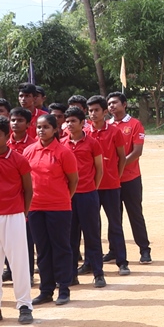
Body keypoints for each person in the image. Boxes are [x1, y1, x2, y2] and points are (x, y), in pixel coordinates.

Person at [26, 113, 79, 307]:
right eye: (39, 127)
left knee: (61, 247)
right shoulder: (30, 151)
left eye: (46, 127)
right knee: (42, 250)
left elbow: (73, 181)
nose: (41, 130)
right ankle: (46, 290)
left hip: (59, 208)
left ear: (55, 129)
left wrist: (63, 198)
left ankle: (64, 288)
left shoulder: (64, 152)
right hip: (35, 207)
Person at [106, 92, 151, 264]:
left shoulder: (134, 124)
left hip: (130, 178)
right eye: (109, 104)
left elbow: (137, 151)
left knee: (135, 214)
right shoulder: (107, 126)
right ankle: (113, 250)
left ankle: (144, 249)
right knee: (113, 216)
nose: (111, 106)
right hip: (111, 180)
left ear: (124, 104)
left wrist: (120, 166)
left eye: (115, 103)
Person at [87, 96, 129, 276]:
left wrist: (116, 177)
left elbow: (122, 157)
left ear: (105, 112)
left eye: (96, 110)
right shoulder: (85, 132)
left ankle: (122, 261)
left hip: (111, 185)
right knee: (91, 226)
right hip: (90, 187)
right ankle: (90, 262)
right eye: (90, 111)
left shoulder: (114, 132)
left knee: (115, 224)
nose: (93, 114)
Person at [63, 108, 105, 288]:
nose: (70, 124)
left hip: (88, 195)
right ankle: (71, 275)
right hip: (67, 197)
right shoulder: (62, 143)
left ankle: (98, 273)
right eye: (68, 121)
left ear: (82, 123)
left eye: (74, 121)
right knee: (70, 237)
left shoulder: (93, 143)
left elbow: (99, 169)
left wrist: (92, 188)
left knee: (92, 235)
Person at [0, 116, 34, 324]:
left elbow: (28, 189)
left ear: (6, 136)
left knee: (19, 263)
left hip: (14, 215)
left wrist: (24, 213)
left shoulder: (19, 159)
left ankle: (24, 305)